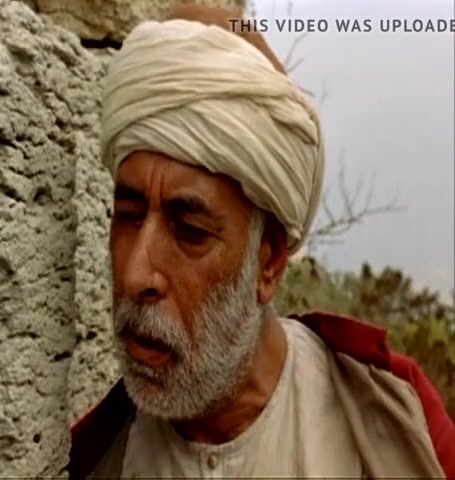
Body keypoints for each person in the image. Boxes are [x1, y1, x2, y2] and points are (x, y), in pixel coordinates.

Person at [67, 5, 455, 479]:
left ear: (267, 260)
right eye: (128, 217)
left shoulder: (395, 422)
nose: (134, 275)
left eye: (189, 231)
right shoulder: (93, 458)